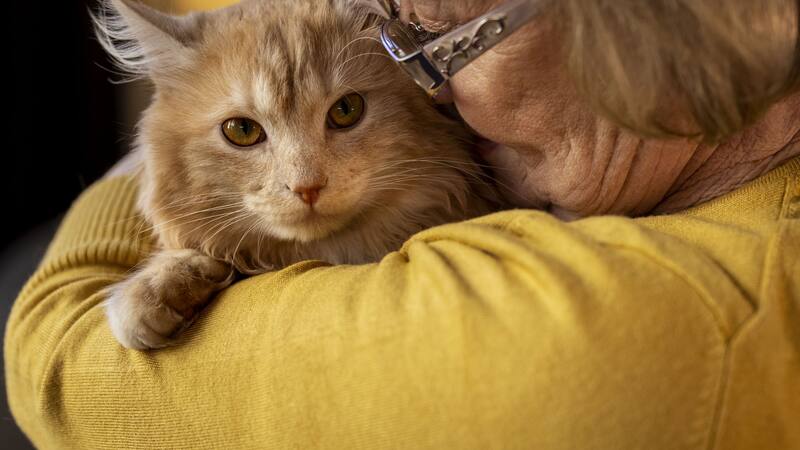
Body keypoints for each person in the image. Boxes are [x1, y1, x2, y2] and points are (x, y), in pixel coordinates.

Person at [5, 0, 799, 448]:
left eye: (443, 38)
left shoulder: (667, 329)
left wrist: (149, 179)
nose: (432, 92)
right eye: (404, 41)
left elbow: (63, 358)